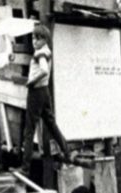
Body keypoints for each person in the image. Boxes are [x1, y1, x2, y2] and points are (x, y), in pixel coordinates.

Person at [21, 24, 71, 172]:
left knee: (29, 129)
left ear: (45, 39)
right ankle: (66, 152)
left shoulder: (39, 54)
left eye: (38, 38)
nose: (34, 42)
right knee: (51, 125)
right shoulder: (47, 52)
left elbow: (43, 70)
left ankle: (25, 166)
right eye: (33, 38)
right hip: (45, 92)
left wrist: (31, 81)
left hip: (36, 92)